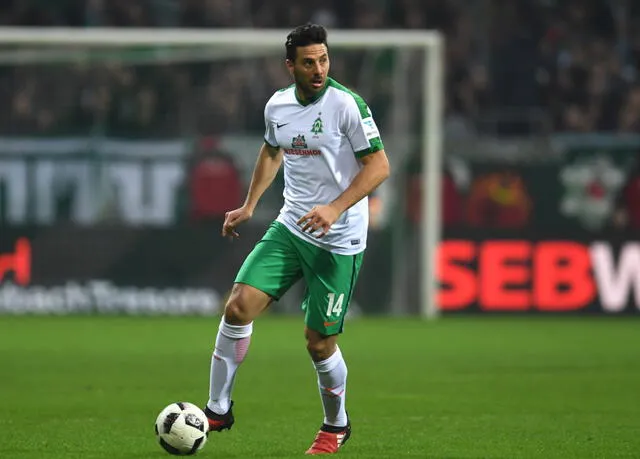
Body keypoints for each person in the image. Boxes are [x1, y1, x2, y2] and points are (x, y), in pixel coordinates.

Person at [202, 23, 390, 455]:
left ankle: (336, 425)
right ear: (291, 66)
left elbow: (379, 166)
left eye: (323, 59)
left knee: (319, 342)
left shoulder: (347, 105)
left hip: (338, 238)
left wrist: (335, 208)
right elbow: (272, 151)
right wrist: (250, 205)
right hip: (291, 226)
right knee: (238, 305)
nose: (319, 68)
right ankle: (217, 408)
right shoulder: (278, 105)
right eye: (309, 62)